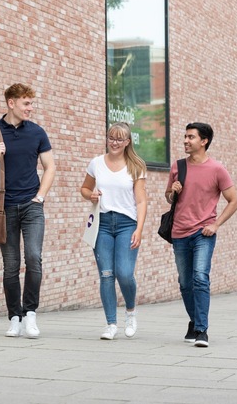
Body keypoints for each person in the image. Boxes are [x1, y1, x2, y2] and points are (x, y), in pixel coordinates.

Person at [0, 83, 56, 339]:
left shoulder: (37, 132)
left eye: (31, 103)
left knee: (33, 258)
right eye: (26, 103)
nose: (30, 108)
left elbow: (50, 167)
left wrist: (40, 197)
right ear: (11, 103)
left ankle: (30, 314)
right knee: (11, 265)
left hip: (32, 207)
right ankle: (14, 317)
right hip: (4, 208)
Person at [165, 122, 237, 348]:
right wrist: (173, 192)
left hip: (203, 232)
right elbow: (168, 198)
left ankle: (201, 330)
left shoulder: (217, 169)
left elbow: (234, 201)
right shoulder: (178, 166)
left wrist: (216, 225)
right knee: (185, 283)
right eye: (185, 137)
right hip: (179, 232)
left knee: (200, 277)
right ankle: (194, 320)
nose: (186, 141)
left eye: (191, 137)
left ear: (204, 141)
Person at [80, 122, 147, 340]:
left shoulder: (136, 166)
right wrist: (90, 195)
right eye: (111, 137)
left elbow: (141, 201)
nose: (114, 142)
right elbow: (84, 188)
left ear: (128, 142)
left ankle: (130, 311)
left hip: (127, 223)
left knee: (125, 273)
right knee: (106, 274)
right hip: (103, 224)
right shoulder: (96, 163)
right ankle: (111, 324)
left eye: (119, 139)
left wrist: (139, 229)